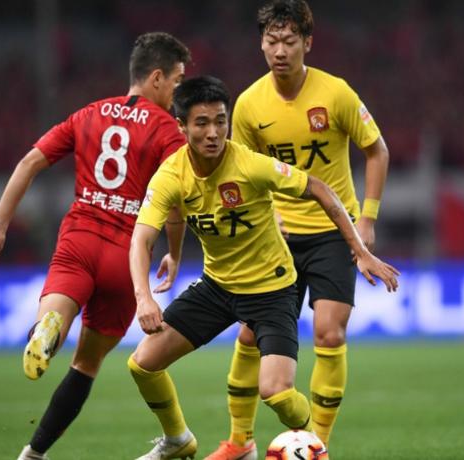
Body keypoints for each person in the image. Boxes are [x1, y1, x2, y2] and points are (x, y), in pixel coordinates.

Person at [126, 75, 399, 460]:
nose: (213, 132)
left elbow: (321, 189)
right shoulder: (171, 175)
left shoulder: (251, 165)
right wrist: (145, 296)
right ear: (181, 126)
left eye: (220, 121)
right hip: (217, 288)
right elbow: (141, 239)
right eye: (202, 123)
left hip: (271, 291)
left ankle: (313, 444)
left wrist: (360, 248)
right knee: (142, 364)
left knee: (277, 393)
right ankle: (178, 440)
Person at [0, 32, 191, 460]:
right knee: (86, 364)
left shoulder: (88, 113)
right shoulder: (168, 129)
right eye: (177, 81)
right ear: (157, 78)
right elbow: (176, 203)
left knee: (52, 322)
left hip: (80, 238)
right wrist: (175, 252)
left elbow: (30, 162)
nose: (178, 92)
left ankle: (48, 329)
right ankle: (34, 453)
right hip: (127, 255)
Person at [206, 1, 393, 458]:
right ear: (261, 44)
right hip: (277, 237)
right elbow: (241, 173)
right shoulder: (249, 105)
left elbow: (377, 150)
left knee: (329, 333)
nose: (280, 50)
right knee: (250, 334)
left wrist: (367, 218)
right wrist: (264, 217)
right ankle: (239, 442)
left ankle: (318, 446)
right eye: (272, 41)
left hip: (333, 231)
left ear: (307, 43)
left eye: (289, 41)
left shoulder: (336, 93)